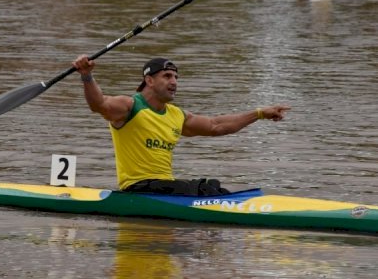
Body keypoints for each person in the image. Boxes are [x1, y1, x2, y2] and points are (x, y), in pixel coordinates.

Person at [73, 55, 290, 196]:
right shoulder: (130, 106)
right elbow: (98, 104)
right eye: (167, 76)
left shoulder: (176, 115)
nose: (174, 82)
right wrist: (87, 75)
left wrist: (260, 113)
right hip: (138, 188)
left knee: (212, 187)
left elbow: (217, 126)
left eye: (176, 77)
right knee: (204, 189)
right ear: (149, 80)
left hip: (165, 189)